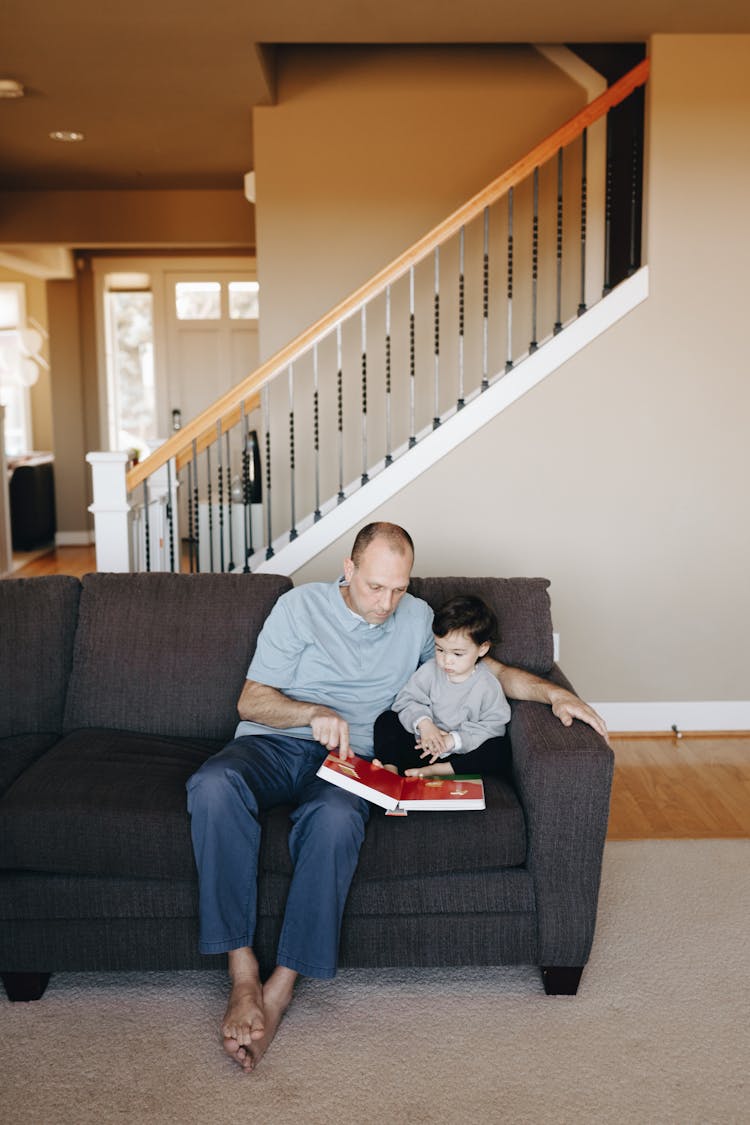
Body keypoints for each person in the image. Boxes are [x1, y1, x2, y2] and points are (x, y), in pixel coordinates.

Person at [186, 521, 608, 1072]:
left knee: (336, 823)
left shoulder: (415, 619)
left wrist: (555, 692)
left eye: (398, 588)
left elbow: (488, 669)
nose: (387, 603)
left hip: (352, 763)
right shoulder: (299, 608)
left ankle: (280, 988)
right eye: (374, 587)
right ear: (348, 569)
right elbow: (251, 701)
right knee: (212, 784)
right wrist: (311, 713)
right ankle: (243, 974)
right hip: (276, 743)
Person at [373, 594, 512, 778]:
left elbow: (493, 727)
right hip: (421, 746)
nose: (446, 660)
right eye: (440, 650)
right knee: (387, 720)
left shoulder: (487, 684)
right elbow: (406, 700)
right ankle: (390, 770)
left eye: (457, 654)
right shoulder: (430, 670)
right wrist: (424, 724)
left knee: (500, 749)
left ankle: (437, 771)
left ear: (483, 648)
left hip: (456, 756)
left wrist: (452, 741)